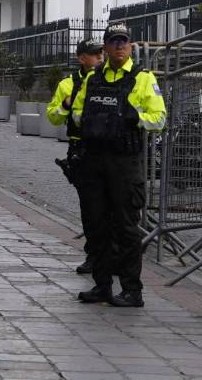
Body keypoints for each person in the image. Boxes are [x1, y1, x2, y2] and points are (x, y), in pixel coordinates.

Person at [71, 22, 166, 308]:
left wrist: (135, 118)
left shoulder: (143, 78)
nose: (120, 46)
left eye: (124, 41)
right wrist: (92, 121)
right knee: (96, 225)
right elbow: (76, 112)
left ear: (131, 46)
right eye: (114, 41)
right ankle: (102, 285)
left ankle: (131, 290)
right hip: (95, 160)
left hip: (124, 162)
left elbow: (160, 119)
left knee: (126, 228)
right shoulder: (93, 77)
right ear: (106, 47)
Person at [47, 37, 107, 275]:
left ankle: (112, 255)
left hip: (108, 149)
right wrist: (66, 104)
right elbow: (53, 117)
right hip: (81, 149)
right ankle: (94, 255)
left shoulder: (110, 79)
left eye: (101, 53)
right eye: (95, 54)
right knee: (90, 207)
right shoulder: (67, 84)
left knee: (113, 207)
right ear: (81, 58)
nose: (100, 57)